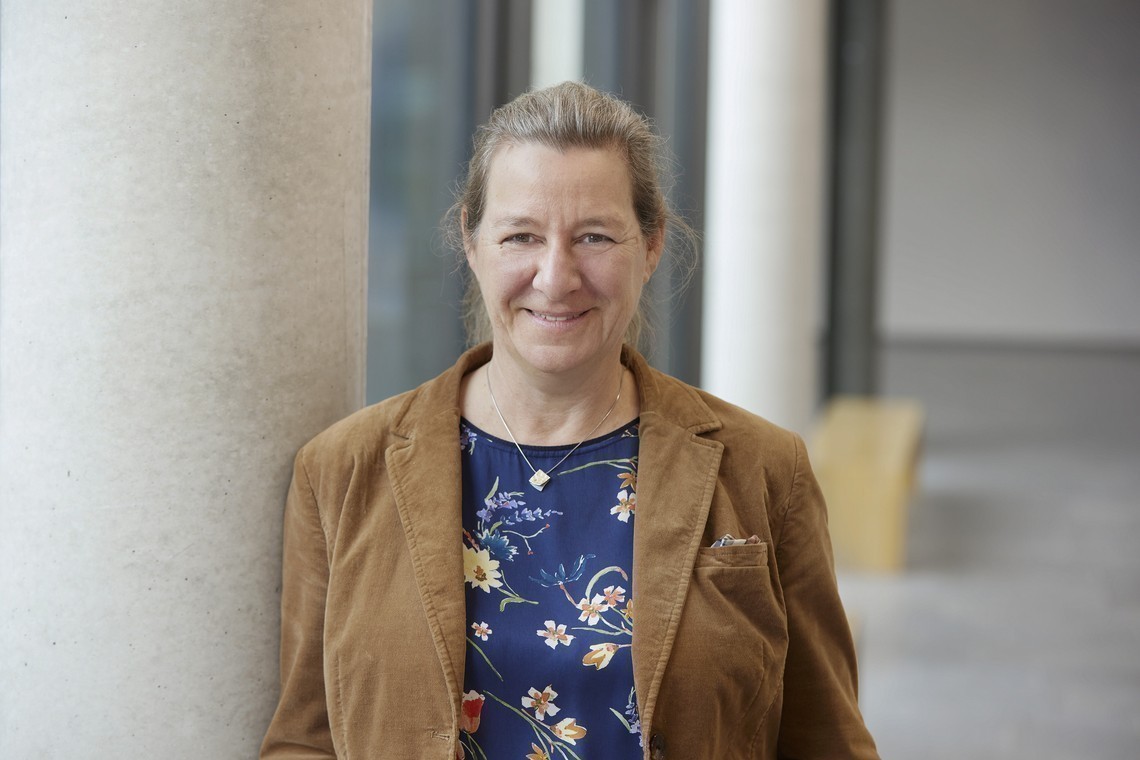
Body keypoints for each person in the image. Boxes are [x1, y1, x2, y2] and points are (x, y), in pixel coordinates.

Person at [261, 81, 879, 760]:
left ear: (651, 245)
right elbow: (303, 743)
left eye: (594, 237)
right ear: (471, 240)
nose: (556, 278)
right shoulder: (342, 471)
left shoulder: (764, 469)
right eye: (521, 236)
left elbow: (829, 743)